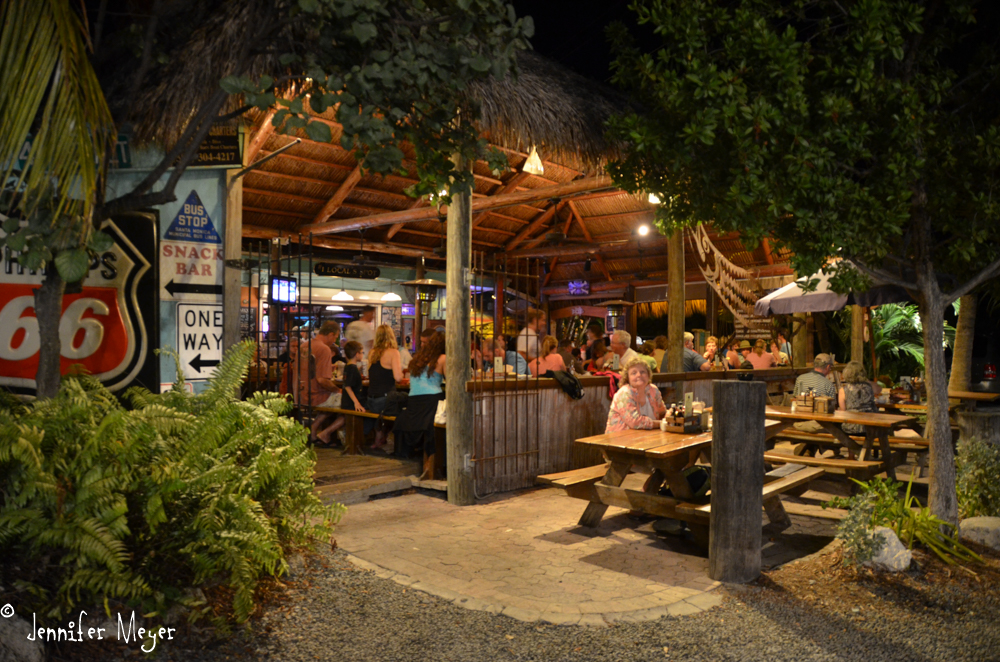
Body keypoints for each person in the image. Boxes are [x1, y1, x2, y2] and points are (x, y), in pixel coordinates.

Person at [392, 331, 446, 480]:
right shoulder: (442, 358)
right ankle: (437, 461)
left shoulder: (417, 359)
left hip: (414, 403)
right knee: (442, 421)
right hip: (431, 401)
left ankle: (427, 461)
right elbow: (452, 381)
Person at [298, 322, 344, 446]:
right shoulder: (324, 349)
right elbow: (322, 380)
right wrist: (337, 390)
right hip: (316, 396)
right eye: (335, 337)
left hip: (301, 394)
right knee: (349, 403)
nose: (334, 341)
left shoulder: (304, 346)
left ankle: (313, 430)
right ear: (331, 334)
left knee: (333, 401)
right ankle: (326, 433)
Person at [366, 324, 404, 448]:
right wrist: (402, 373)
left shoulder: (372, 353)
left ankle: (381, 437)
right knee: (404, 405)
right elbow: (398, 378)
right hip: (384, 400)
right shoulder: (393, 352)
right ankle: (383, 439)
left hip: (371, 399)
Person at [606, 356, 667, 432]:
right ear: (627, 378)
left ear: (648, 375)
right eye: (634, 373)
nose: (639, 375)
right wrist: (661, 423)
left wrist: (670, 414)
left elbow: (662, 413)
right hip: (620, 437)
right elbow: (635, 422)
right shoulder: (624, 393)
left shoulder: (653, 390)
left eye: (642, 372)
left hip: (647, 436)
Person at [839, 361, 879, 435]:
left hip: (851, 427)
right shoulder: (869, 387)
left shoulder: (843, 390)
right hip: (870, 426)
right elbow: (879, 389)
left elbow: (843, 411)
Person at [340, 341, 365, 413]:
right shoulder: (352, 368)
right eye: (362, 352)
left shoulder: (348, 366)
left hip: (346, 401)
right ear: (357, 354)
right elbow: (348, 386)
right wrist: (356, 403)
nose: (362, 355)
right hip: (351, 402)